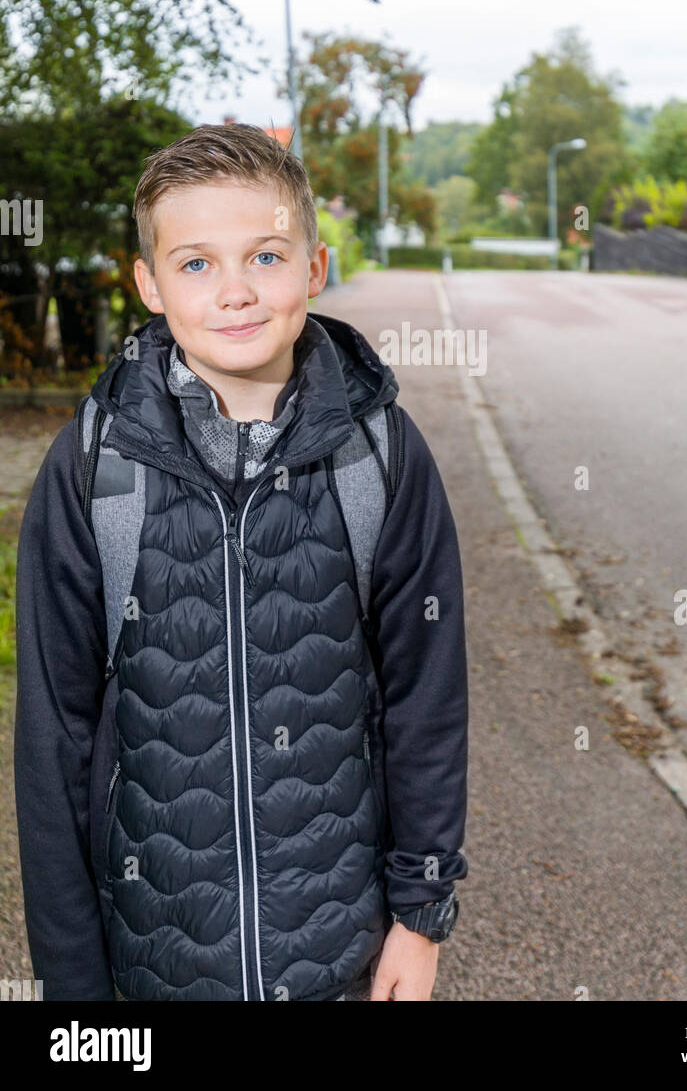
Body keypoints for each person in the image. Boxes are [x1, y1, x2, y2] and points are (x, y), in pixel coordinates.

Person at [13, 122, 469, 1001]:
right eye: (195, 264)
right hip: (155, 967)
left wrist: (420, 918)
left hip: (342, 955)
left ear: (314, 268)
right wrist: (72, 989)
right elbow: (52, 747)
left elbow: (427, 701)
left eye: (265, 257)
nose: (234, 293)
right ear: (148, 283)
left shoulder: (381, 457)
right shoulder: (91, 470)